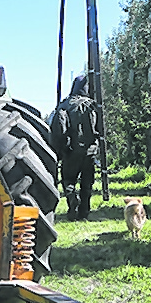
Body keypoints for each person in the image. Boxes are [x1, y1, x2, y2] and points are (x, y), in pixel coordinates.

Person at [50, 75, 100, 219]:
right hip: (90, 151)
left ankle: (72, 206)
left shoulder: (65, 104)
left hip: (71, 150)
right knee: (87, 183)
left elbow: (58, 129)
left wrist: (59, 150)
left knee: (68, 180)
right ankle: (84, 212)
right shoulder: (93, 105)